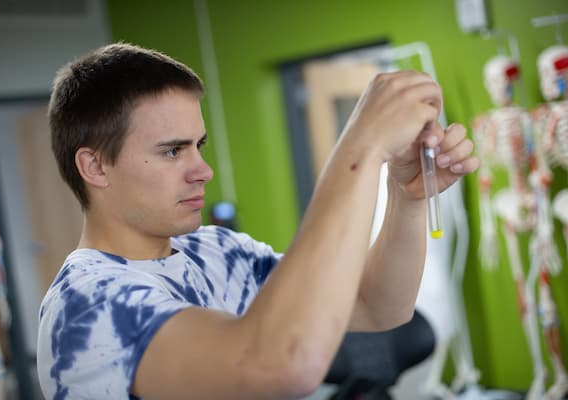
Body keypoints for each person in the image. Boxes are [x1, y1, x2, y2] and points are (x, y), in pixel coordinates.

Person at [36, 42, 479, 400]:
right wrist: (361, 144)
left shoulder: (217, 251)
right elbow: (280, 364)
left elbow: (376, 306)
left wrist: (407, 196)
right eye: (173, 151)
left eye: (198, 146)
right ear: (95, 168)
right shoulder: (87, 304)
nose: (202, 170)